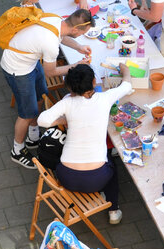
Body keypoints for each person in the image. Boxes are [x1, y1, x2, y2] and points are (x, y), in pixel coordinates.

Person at [37, 63, 132, 225]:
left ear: (70, 88)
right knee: (111, 162)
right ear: (94, 82)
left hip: (66, 177)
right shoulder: (105, 98)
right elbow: (127, 85)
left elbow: (42, 120)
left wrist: (63, 119)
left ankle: (109, 204)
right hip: (97, 179)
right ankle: (113, 210)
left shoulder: (67, 102)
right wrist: (126, 70)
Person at [0, 9, 94, 169]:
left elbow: (62, 37)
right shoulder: (50, 44)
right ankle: (17, 150)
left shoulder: (57, 20)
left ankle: (33, 136)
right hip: (18, 70)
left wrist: (78, 47)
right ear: (75, 29)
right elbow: (50, 72)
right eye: (82, 33)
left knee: (41, 95)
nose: (81, 35)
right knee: (26, 113)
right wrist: (76, 66)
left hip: (30, 62)